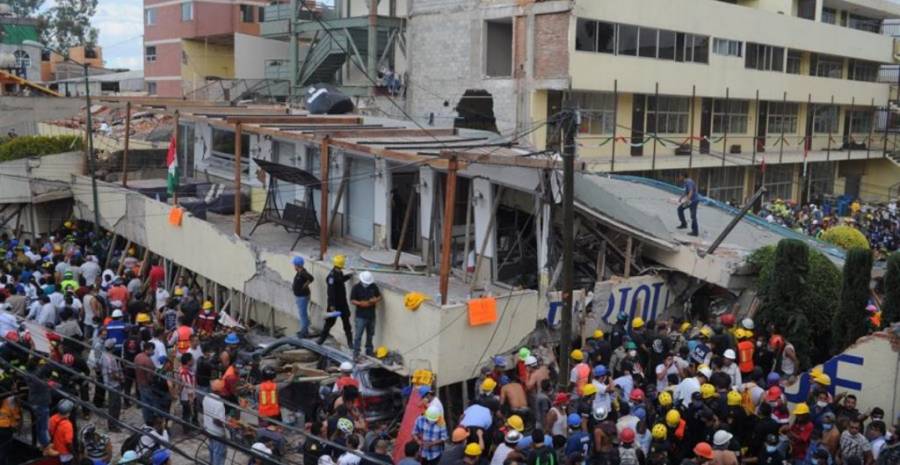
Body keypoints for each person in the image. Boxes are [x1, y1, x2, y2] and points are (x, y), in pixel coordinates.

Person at [318, 255, 353, 346]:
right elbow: (331, 292)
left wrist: (348, 276)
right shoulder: (331, 277)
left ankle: (350, 342)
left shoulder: (339, 273)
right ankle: (321, 340)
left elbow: (340, 280)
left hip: (343, 303)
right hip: (334, 305)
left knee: (347, 324)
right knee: (329, 323)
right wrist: (332, 305)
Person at [349, 271, 381, 359]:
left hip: (371, 315)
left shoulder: (373, 286)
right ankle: (356, 353)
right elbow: (352, 300)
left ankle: (369, 352)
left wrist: (375, 300)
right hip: (361, 316)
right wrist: (360, 303)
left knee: (370, 334)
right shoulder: (356, 287)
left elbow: (379, 296)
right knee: (358, 335)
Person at [100, 338, 124, 432]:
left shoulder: (106, 356)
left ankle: (115, 423)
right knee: (114, 406)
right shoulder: (108, 358)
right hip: (113, 384)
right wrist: (120, 379)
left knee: (116, 405)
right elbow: (111, 374)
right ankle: (113, 425)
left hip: (112, 384)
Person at [203, 380, 228, 465]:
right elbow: (217, 420)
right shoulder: (219, 403)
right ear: (221, 390)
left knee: (212, 451)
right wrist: (227, 424)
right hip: (217, 433)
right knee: (219, 456)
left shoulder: (206, 397)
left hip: (208, 429)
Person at [292, 256, 314, 338]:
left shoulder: (303, 273)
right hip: (300, 296)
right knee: (303, 314)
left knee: (303, 315)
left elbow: (311, 278)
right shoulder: (299, 272)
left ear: (297, 265)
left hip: (302, 297)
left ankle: (303, 333)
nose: (293, 266)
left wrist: (305, 285)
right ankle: (305, 331)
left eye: (294, 265)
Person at [49, 399, 76, 464]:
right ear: (69, 412)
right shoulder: (68, 425)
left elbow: (50, 432)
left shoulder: (52, 418)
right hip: (65, 453)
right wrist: (74, 454)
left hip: (55, 447)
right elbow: (68, 443)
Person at [676, 172, 700, 237]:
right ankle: (684, 224)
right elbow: (686, 191)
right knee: (680, 209)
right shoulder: (686, 182)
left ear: (683, 176)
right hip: (690, 201)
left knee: (693, 216)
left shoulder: (689, 182)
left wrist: (687, 200)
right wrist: (681, 198)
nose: (679, 177)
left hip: (693, 201)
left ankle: (695, 231)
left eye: (680, 176)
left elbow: (691, 192)